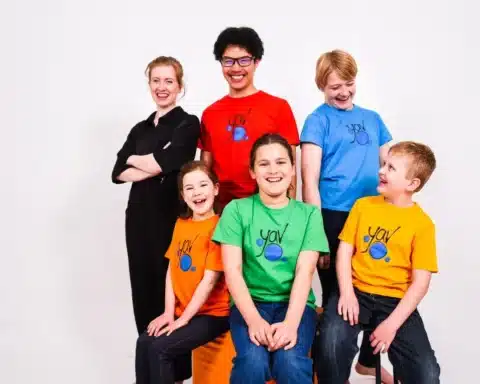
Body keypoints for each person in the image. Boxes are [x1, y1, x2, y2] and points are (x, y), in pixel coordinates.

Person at [300, 49, 393, 382]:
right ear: (321, 86)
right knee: (339, 296)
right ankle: (325, 367)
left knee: (378, 286)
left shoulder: (373, 118)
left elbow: (390, 166)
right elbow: (309, 179)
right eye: (334, 86)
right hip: (334, 217)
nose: (343, 92)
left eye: (348, 84)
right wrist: (316, 235)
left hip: (373, 218)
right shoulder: (317, 120)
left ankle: (368, 360)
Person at [314, 141, 441, 384]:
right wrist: (347, 293)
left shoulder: (422, 225)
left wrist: (391, 325)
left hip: (395, 302)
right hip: (356, 292)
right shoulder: (363, 206)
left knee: (427, 374)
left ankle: (370, 363)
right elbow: (344, 251)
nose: (381, 171)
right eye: (383, 164)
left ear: (412, 184)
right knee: (330, 347)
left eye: (391, 168)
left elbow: (420, 283)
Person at [213, 133, 330, 384]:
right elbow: (232, 271)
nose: (273, 170)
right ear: (253, 172)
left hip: (295, 306)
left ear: (291, 169)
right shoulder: (236, 210)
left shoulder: (309, 214)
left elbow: (305, 272)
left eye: (280, 162)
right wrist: (254, 320)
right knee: (252, 362)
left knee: (290, 362)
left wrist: (290, 323)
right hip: (250, 304)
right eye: (263, 164)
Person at [111, 56, 200, 382]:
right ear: (149, 84)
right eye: (156, 81)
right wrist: (147, 160)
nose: (161, 88)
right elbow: (117, 171)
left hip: (171, 219)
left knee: (175, 292)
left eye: (169, 81)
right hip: (138, 221)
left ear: (179, 86)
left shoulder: (188, 123)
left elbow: (171, 159)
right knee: (144, 291)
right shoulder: (140, 128)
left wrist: (143, 161)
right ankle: (152, 370)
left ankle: (177, 373)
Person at [135, 161, 230, 384]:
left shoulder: (219, 228)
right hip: (184, 310)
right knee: (144, 342)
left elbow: (209, 280)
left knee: (161, 348)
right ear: (183, 195)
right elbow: (172, 270)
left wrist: (184, 319)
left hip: (212, 314)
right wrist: (169, 313)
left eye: (203, 185)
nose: (197, 192)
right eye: (189, 188)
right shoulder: (181, 224)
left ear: (215, 189)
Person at [199, 26, 300, 212]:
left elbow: (289, 168)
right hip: (222, 211)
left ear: (257, 62)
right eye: (228, 61)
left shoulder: (278, 107)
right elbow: (204, 170)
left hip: (266, 207)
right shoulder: (210, 113)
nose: (236, 68)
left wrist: (288, 213)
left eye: (244, 60)